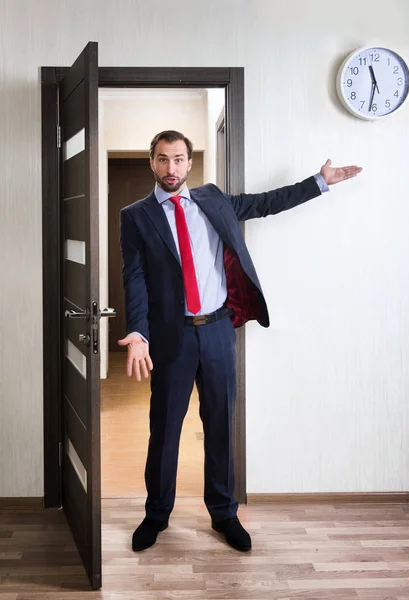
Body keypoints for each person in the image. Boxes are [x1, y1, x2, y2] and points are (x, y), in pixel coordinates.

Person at [118, 130, 362, 553]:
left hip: (216, 330)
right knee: (165, 430)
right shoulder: (135, 215)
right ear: (152, 163)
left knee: (220, 424)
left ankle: (224, 513)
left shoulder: (213, 200)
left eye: (178, 159)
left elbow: (265, 203)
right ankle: (157, 513)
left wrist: (319, 182)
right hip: (172, 336)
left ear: (189, 164)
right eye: (162, 159)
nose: (171, 167)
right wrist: (139, 332)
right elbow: (135, 277)